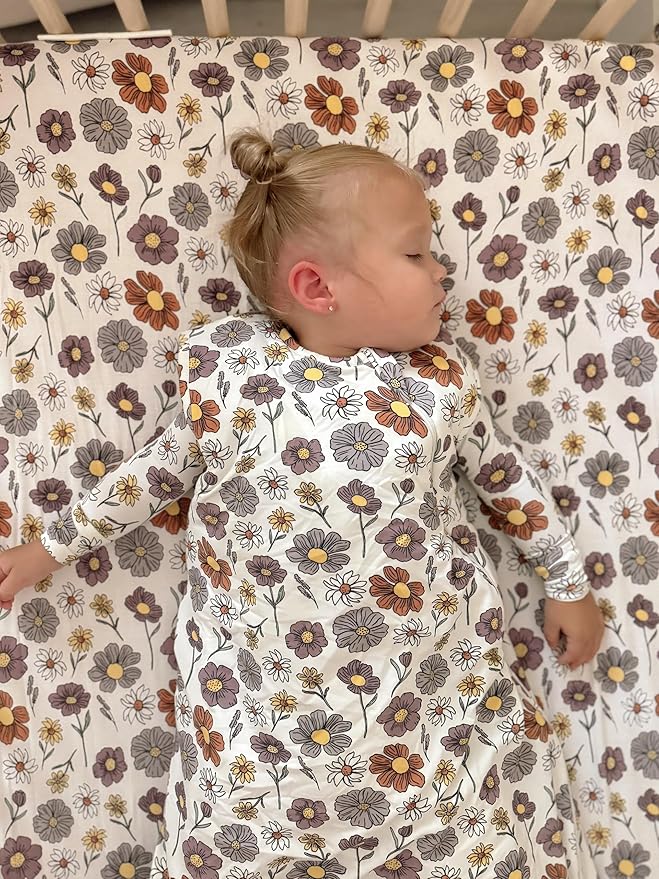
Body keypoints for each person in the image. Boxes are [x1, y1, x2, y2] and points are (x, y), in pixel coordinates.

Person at [0, 131, 603, 879]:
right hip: (265, 718)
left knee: (487, 819)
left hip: (434, 702)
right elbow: (152, 474)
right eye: (417, 253)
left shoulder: (439, 384)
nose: (442, 270)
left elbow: (506, 480)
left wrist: (566, 581)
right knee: (234, 826)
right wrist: (49, 548)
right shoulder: (232, 379)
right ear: (318, 288)